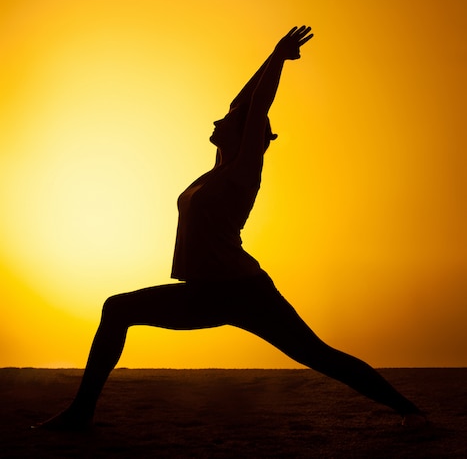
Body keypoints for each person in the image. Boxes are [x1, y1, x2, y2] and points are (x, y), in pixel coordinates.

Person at [37, 26, 424, 430]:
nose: (219, 118)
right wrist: (270, 62)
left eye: (227, 120)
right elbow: (244, 102)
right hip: (206, 291)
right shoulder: (215, 172)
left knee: (318, 355)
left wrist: (278, 58)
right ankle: (81, 412)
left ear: (246, 137)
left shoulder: (243, 173)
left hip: (242, 291)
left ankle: (410, 411)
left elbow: (256, 107)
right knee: (117, 309)